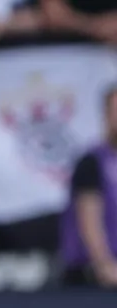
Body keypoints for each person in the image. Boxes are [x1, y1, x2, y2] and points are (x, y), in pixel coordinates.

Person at [59, 86, 117, 287]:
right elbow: (89, 218)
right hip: (92, 277)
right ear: (107, 116)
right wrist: (104, 265)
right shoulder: (92, 162)